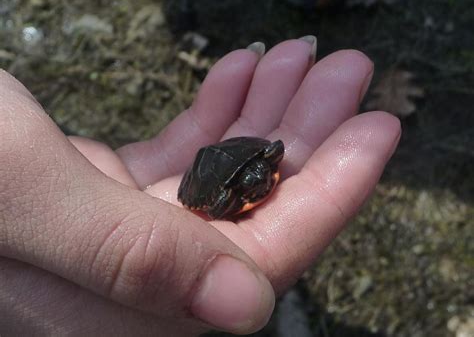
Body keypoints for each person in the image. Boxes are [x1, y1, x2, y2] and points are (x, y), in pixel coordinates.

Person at [0, 37, 400, 336]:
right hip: (207, 176)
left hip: (237, 152)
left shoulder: (262, 165)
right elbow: (219, 202)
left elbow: (271, 153)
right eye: (255, 181)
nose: (260, 182)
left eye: (260, 177)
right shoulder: (229, 193)